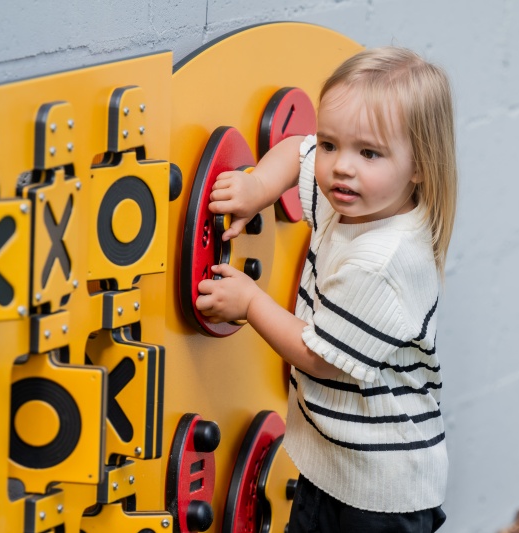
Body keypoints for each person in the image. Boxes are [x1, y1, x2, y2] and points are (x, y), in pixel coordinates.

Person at [195, 46, 457, 533]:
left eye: (369, 152)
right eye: (332, 143)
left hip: (380, 494)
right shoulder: (360, 197)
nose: (340, 166)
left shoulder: (383, 262)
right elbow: (297, 150)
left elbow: (319, 357)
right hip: (334, 463)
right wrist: (257, 188)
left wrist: (250, 303)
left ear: (419, 164)